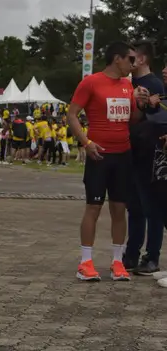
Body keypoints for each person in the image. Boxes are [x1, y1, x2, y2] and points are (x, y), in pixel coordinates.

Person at [67, 41, 149, 282]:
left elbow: (132, 119)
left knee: (119, 209)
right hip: (99, 155)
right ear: (117, 59)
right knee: (93, 207)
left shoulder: (128, 85)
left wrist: (140, 104)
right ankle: (85, 262)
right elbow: (72, 115)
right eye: (130, 60)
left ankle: (117, 262)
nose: (133, 65)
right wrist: (86, 143)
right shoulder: (91, 82)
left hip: (123, 154)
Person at [123, 41, 166, 274]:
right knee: (134, 206)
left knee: (153, 207)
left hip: (150, 151)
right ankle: (131, 254)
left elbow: (158, 118)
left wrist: (148, 105)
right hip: (131, 150)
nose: (129, 62)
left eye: (133, 57)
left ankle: (152, 255)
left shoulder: (154, 84)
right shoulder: (126, 83)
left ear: (143, 59)